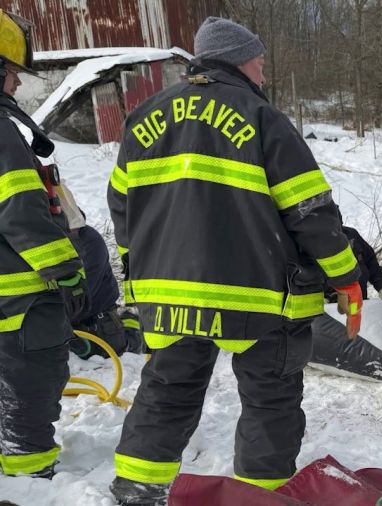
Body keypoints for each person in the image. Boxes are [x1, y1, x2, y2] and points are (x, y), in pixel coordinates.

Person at [106, 17, 362, 505]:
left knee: (167, 389)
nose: (263, 75)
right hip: (258, 293)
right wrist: (345, 274)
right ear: (240, 59)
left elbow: (123, 207)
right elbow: (308, 209)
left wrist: (140, 268)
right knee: (270, 400)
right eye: (261, 64)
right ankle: (259, 495)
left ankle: (138, 489)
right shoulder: (261, 116)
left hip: (168, 293)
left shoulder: (144, 118)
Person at [0, 9, 89, 478]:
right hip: (18, 298)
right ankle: (32, 478)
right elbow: (21, 212)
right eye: (12, 73)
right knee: (30, 387)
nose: (16, 84)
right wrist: (67, 272)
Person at [57, 184, 142, 358]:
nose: (72, 234)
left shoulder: (89, 242)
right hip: (70, 322)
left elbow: (78, 300)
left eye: (73, 230)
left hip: (98, 325)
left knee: (125, 347)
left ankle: (132, 325)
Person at [325, 219, 382, 309]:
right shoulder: (314, 244)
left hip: (360, 302)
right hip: (332, 308)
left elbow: (370, 262)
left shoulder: (351, 234)